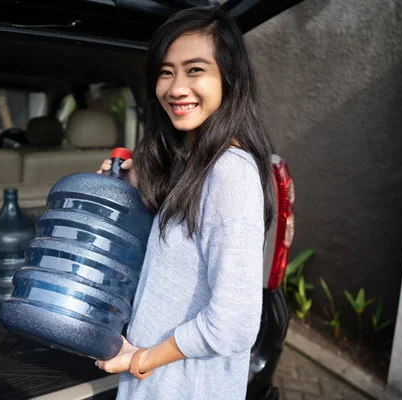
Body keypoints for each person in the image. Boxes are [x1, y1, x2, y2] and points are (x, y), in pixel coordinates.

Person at [95, 6, 275, 400]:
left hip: (185, 386)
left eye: (195, 70)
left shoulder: (230, 172)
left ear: (230, 78)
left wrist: (141, 359)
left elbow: (234, 323)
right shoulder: (194, 161)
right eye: (165, 71)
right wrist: (131, 185)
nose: (176, 88)